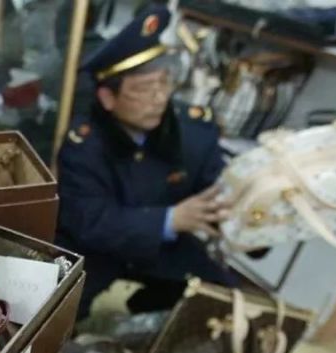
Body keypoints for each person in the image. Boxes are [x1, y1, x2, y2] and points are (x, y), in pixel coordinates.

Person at [56, 5, 235, 318]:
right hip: (96, 254)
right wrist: (169, 220)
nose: (158, 98)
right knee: (58, 314)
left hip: (162, 253)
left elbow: (218, 193)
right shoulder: (83, 145)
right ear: (107, 98)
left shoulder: (192, 130)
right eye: (143, 89)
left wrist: (253, 211)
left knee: (225, 305)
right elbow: (91, 222)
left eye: (163, 83)